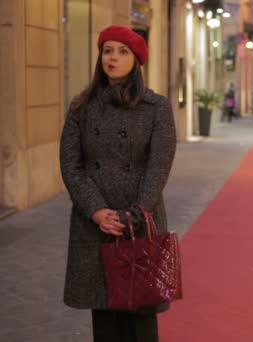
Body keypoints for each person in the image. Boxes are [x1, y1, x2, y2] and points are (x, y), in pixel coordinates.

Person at [59, 25, 176, 342]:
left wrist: (135, 213)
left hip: (141, 219)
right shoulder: (81, 106)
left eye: (123, 51)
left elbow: (158, 167)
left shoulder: (157, 108)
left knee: (140, 316)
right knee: (105, 313)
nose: (113, 57)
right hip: (95, 222)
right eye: (108, 50)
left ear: (137, 60)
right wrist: (97, 211)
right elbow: (72, 165)